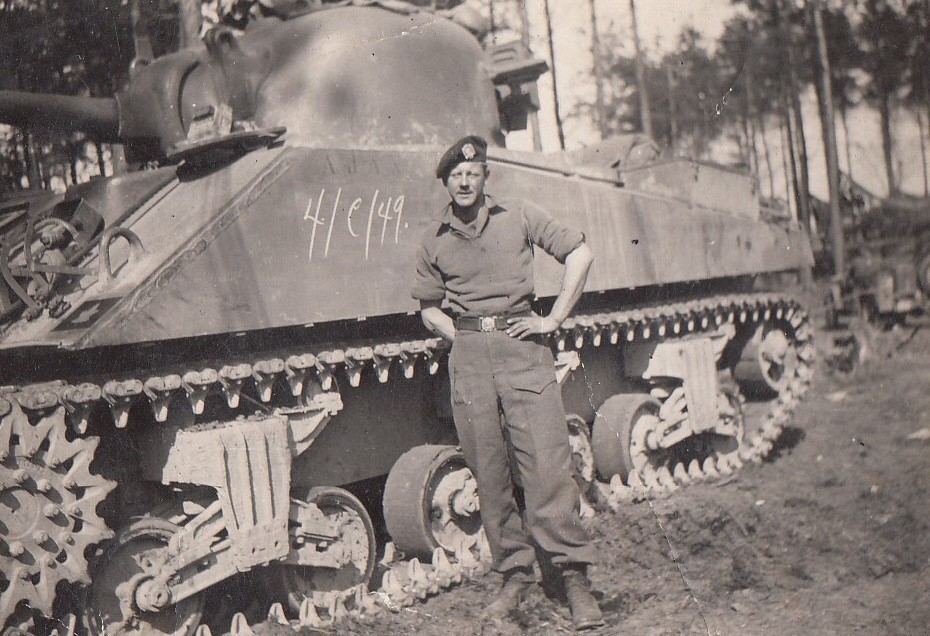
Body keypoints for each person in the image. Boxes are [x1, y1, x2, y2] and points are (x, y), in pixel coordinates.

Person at [411, 135, 604, 630]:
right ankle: (515, 575)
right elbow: (428, 304)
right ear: (446, 181)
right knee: (489, 474)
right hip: (471, 359)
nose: (464, 179)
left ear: (485, 176)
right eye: (455, 174)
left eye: (472, 172)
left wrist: (553, 319)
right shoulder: (435, 238)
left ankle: (573, 578)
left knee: (546, 466)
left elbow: (579, 253)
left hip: (523, 347)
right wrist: (462, 336)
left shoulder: (517, 213)